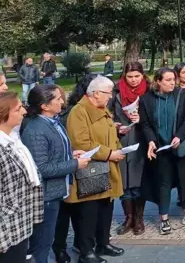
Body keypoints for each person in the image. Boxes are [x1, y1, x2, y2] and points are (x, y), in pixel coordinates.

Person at [21, 85, 88, 263]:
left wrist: (70, 154)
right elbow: (42, 167)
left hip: (55, 192)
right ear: (44, 105)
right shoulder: (36, 130)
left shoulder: (54, 122)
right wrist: (74, 164)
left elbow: (54, 152)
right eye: (57, 98)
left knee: (45, 240)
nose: (62, 101)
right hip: (46, 196)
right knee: (41, 243)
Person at [66, 75, 125, 263]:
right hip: (91, 171)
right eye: (108, 93)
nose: (111, 97)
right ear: (95, 93)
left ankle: (103, 242)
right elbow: (81, 142)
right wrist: (110, 154)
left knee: (106, 208)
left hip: (107, 168)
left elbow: (104, 133)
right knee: (88, 213)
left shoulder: (101, 108)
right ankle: (86, 251)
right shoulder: (79, 111)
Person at [140, 67, 185, 235]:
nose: (172, 82)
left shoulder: (182, 94)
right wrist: (151, 140)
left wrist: (179, 136)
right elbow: (145, 124)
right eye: (168, 80)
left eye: (173, 79)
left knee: (184, 180)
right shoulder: (146, 99)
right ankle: (163, 218)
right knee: (163, 183)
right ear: (158, 81)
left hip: (179, 147)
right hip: (161, 149)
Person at [52, 74, 98, 263]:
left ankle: (81, 243)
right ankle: (59, 247)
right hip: (65, 169)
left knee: (80, 209)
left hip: (78, 165)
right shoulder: (71, 113)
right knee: (64, 213)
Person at [0, 92, 43, 262]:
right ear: (4, 114)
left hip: (19, 225)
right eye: (18, 109)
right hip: (7, 231)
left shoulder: (13, 140)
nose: (24, 111)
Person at [107, 62, 148, 236]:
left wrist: (142, 119)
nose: (133, 80)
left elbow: (155, 116)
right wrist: (115, 126)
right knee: (124, 181)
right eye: (130, 76)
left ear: (142, 76)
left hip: (142, 140)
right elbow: (107, 115)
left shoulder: (149, 91)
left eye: (137, 76)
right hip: (122, 140)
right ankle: (128, 217)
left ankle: (139, 218)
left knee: (139, 181)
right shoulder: (116, 92)